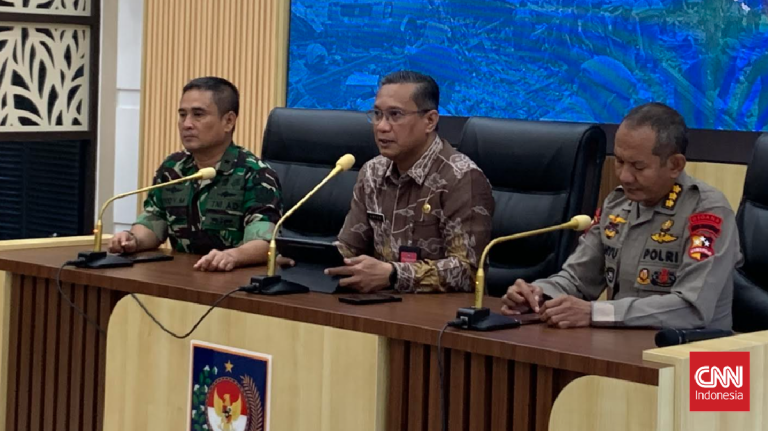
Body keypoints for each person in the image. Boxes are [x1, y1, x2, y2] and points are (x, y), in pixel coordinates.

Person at [502, 103, 741, 330]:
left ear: (675, 165)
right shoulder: (618, 204)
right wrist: (538, 295)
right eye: (619, 161)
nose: (624, 176)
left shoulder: (707, 211)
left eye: (638, 167)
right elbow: (577, 279)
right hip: (627, 344)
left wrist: (596, 313)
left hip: (702, 353)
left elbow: (691, 309)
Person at [327, 71, 494, 293]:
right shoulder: (373, 172)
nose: (381, 126)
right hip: (377, 302)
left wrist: (394, 274)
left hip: (436, 309)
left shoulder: (461, 177)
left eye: (395, 115)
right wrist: (305, 259)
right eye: (377, 114)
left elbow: (468, 271)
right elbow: (349, 247)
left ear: (430, 121)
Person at [108, 77, 283, 272]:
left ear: (228, 121)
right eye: (182, 115)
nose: (187, 124)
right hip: (182, 276)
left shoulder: (255, 174)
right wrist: (132, 239)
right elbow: (154, 221)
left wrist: (232, 256)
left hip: (232, 279)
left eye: (198, 115)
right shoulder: (173, 168)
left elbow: (264, 243)